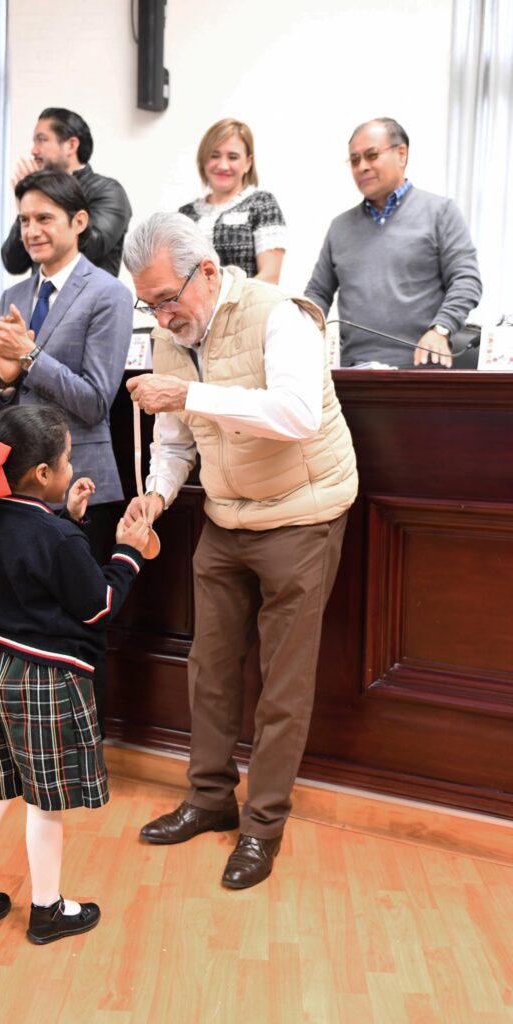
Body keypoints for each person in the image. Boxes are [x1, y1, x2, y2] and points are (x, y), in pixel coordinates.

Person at [122, 213, 358, 890]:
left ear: (206, 272)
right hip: (226, 517)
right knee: (211, 668)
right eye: (150, 303)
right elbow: (174, 441)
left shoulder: (280, 314)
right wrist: (158, 497)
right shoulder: (174, 333)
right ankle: (207, 798)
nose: (163, 315)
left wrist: (190, 393)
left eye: (169, 298)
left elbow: (295, 414)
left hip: (302, 514)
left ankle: (262, 828)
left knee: (282, 686)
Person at [0, 404, 149, 944]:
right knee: (44, 802)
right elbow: (97, 603)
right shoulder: (59, 540)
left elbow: (35, 562)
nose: (70, 465)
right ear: (43, 475)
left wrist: (71, 515)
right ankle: (47, 909)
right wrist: (127, 553)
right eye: (67, 459)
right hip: (47, 683)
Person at [0, 169, 132, 568]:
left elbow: (95, 401)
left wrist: (30, 357)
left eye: (44, 218)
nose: (31, 231)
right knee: (20, 613)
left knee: (76, 616)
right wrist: (7, 378)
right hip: (15, 485)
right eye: (24, 220)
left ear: (79, 221)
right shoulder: (12, 296)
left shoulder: (109, 294)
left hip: (79, 484)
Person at [304, 117, 482, 368]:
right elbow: (317, 294)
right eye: (354, 160)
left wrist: (441, 329)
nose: (362, 167)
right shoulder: (340, 227)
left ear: (401, 154)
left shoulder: (441, 212)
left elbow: (466, 280)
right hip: (354, 373)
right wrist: (300, 331)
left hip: (423, 370)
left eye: (371, 155)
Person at [1, 107, 132, 278]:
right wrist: (27, 208)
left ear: (71, 145)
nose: (34, 151)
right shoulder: (37, 195)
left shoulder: (108, 190)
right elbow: (12, 263)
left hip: (92, 302)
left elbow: (91, 249)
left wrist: (46, 196)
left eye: (42, 140)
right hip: (42, 301)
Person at [178, 118, 287, 284]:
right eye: (214, 155)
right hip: (191, 310)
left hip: (245, 308)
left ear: (248, 163)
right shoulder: (185, 215)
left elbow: (269, 277)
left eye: (233, 157)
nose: (222, 165)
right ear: (203, 160)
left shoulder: (262, 205)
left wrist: (227, 303)